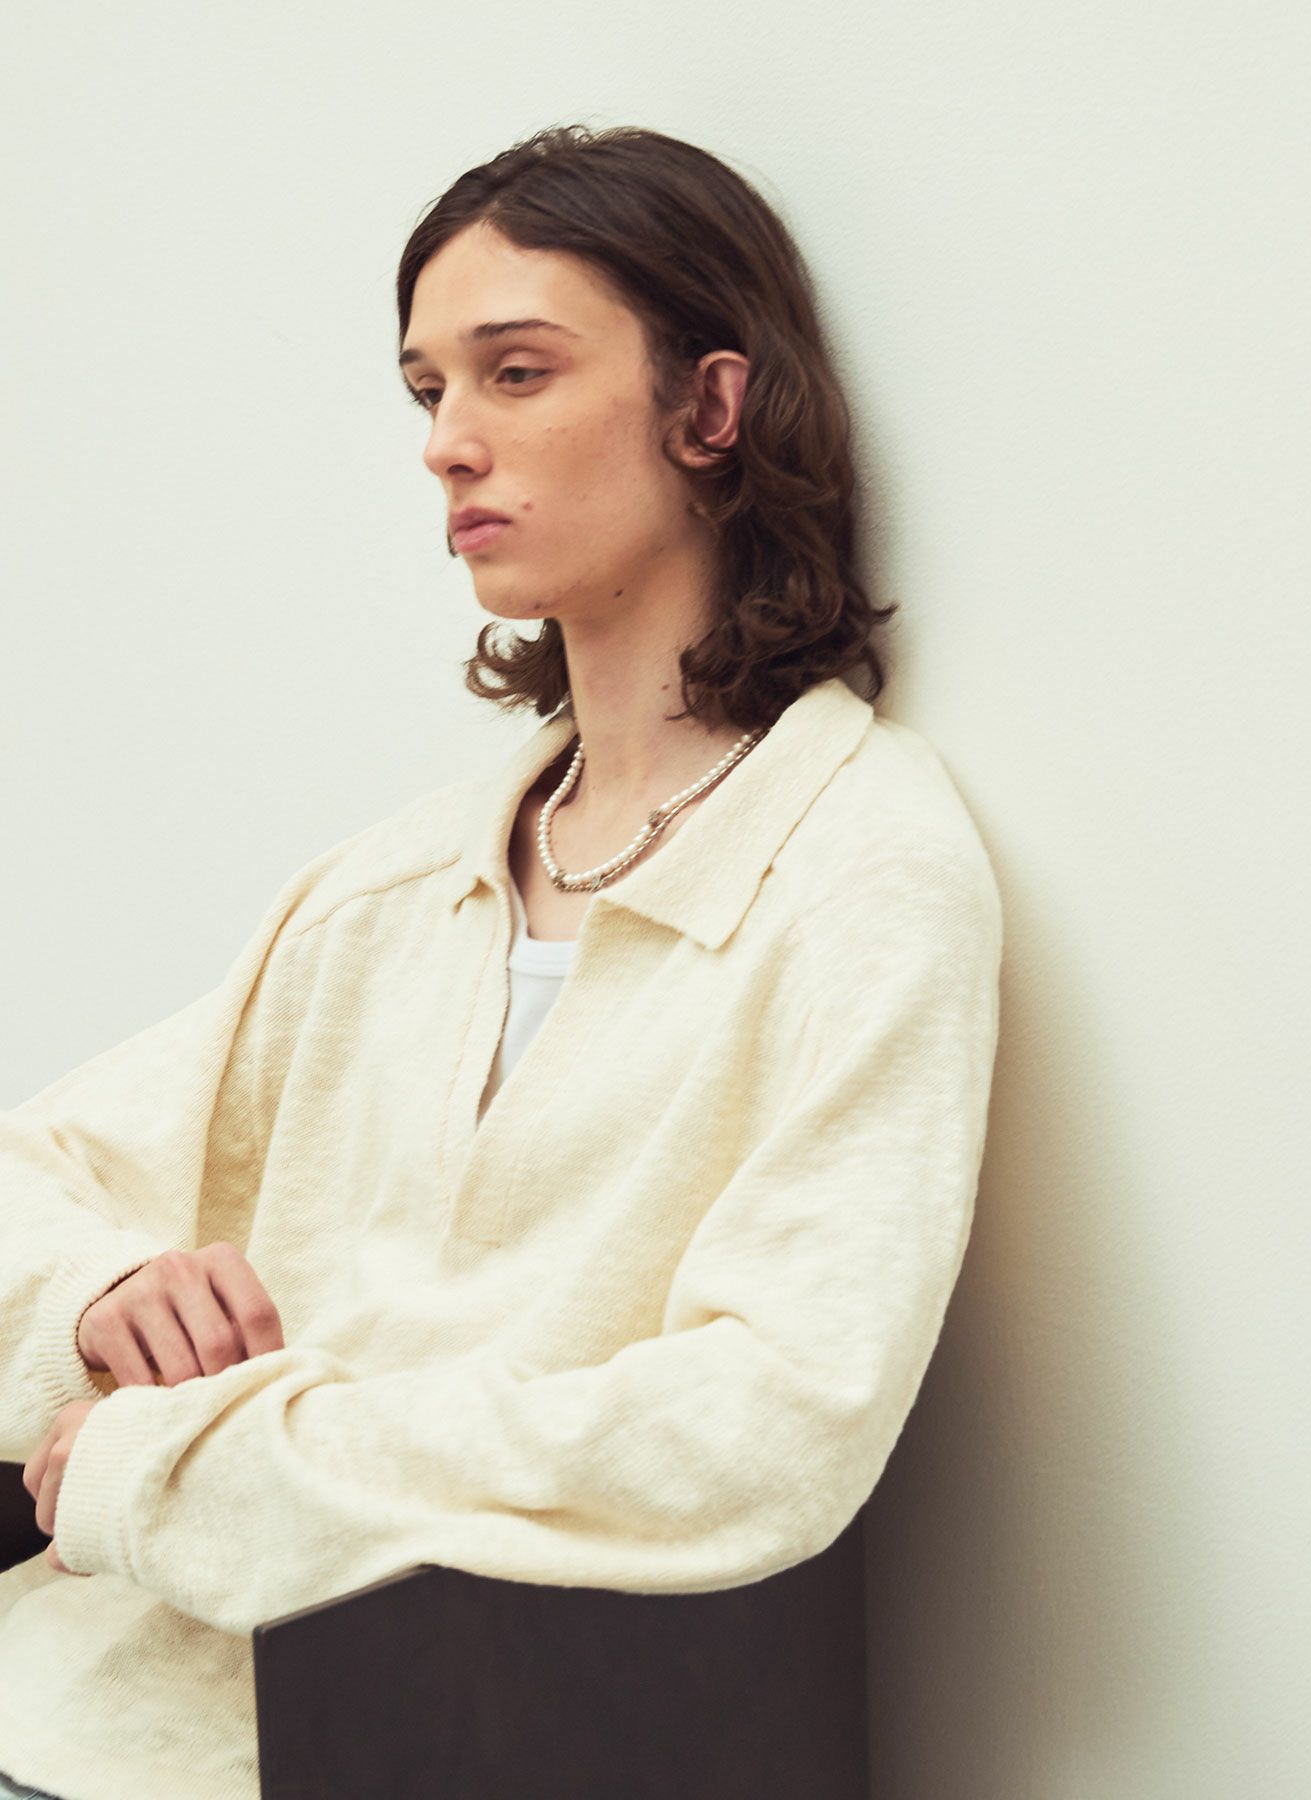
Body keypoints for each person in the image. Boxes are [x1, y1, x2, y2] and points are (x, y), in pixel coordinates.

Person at [0, 123, 1004, 1799]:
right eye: (427, 390)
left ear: (711, 407)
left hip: (466, 1732)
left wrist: (206, 1467)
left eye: (516, 372)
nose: (446, 444)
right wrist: (98, 1294)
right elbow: (32, 1177)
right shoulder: (397, 886)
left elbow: (771, 1420)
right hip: (99, 1713)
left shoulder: (860, 870)